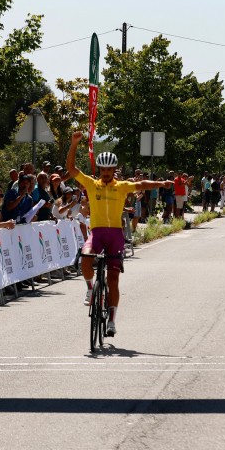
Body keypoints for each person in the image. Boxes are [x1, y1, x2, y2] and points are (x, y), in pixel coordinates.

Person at [66, 131, 171, 338]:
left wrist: (160, 184)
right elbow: (71, 169)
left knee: (113, 279)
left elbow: (141, 185)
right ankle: (89, 288)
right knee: (85, 258)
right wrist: (74, 144)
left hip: (115, 235)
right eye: (103, 169)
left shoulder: (121, 186)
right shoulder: (91, 183)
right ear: (100, 169)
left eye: (109, 169)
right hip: (96, 233)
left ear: (114, 170)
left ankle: (112, 320)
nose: (106, 172)